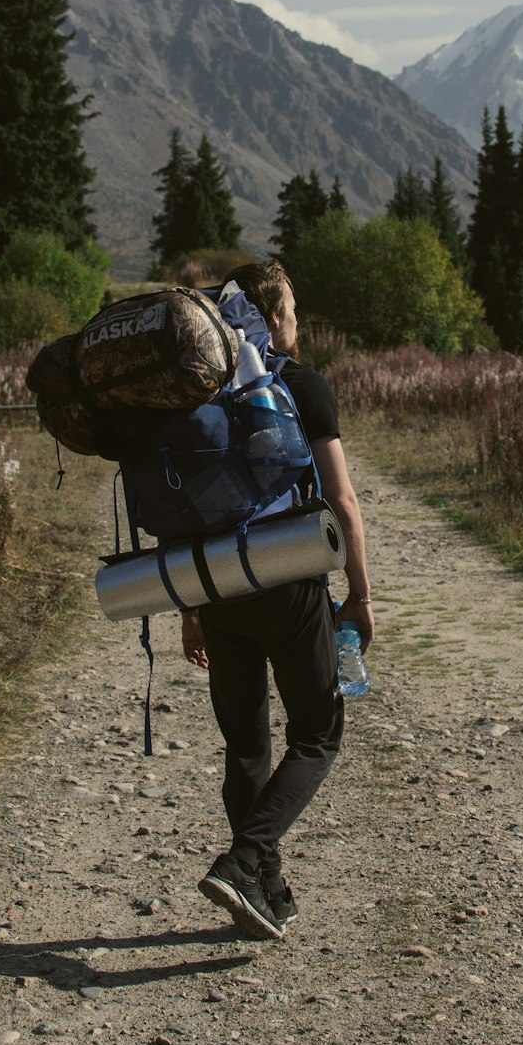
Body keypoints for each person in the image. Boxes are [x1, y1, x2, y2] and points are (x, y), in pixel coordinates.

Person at [182, 259, 374, 939]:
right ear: (269, 320)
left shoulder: (198, 395)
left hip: (219, 586)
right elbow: (343, 500)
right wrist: (360, 596)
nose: (297, 322)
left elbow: (189, 511)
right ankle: (244, 863)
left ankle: (266, 889)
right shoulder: (305, 387)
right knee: (318, 734)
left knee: (245, 746)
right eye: (290, 310)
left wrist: (191, 608)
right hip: (290, 582)